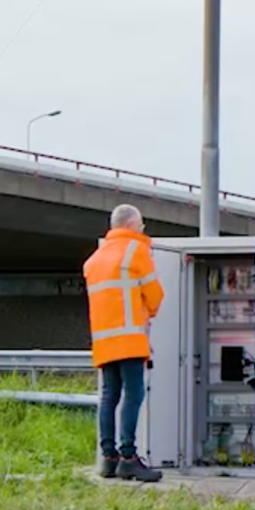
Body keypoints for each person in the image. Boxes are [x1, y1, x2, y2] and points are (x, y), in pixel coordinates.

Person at [83, 203, 164, 482]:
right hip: (130, 339)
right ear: (131, 225)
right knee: (134, 394)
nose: (143, 230)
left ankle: (108, 459)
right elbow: (155, 296)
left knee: (109, 396)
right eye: (141, 225)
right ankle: (129, 458)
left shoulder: (94, 260)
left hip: (103, 341)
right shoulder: (136, 251)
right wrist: (147, 312)